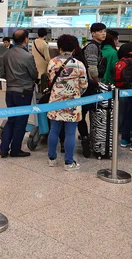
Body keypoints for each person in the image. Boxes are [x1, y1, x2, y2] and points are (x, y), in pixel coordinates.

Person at [46, 34, 88, 170]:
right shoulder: (78, 64)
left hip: (55, 101)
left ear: (60, 47)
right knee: (70, 133)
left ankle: (52, 158)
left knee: (54, 130)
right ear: (74, 48)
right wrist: (76, 93)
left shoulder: (52, 62)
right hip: (72, 103)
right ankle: (69, 162)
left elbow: (50, 78)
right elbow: (84, 84)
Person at [0, 29, 38, 158]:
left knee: (11, 120)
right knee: (21, 122)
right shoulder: (27, 56)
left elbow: (2, 73)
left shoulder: (6, 54)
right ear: (26, 39)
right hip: (23, 92)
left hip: (9, 91)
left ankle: (4, 149)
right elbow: (34, 74)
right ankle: (15, 150)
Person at [78, 23, 107, 157]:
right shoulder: (92, 47)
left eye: (104, 31)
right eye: (100, 31)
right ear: (93, 33)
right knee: (83, 113)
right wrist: (98, 82)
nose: (103, 33)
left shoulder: (96, 46)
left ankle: (87, 137)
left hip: (88, 85)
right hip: (88, 85)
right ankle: (84, 139)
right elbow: (92, 67)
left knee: (85, 112)